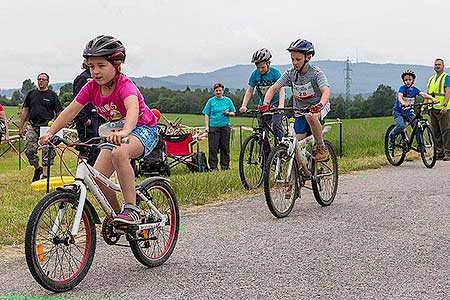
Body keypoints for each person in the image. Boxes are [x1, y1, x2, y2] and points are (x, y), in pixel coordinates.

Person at [39, 35, 159, 224]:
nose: (95, 71)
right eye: (91, 66)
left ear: (116, 65)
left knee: (120, 154)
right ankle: (117, 215)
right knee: (98, 178)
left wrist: (125, 132)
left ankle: (131, 209)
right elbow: (70, 111)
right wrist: (50, 132)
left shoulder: (124, 85)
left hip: (142, 128)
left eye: (101, 65)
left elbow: (133, 109)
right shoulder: (90, 87)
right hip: (116, 132)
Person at [262, 39, 331, 162]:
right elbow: (274, 88)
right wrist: (266, 104)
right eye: (292, 59)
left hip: (318, 108)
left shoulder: (316, 73)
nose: (294, 63)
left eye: (298, 59)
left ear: (308, 57)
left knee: (311, 116)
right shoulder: (290, 74)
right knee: (296, 147)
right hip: (300, 111)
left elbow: (326, 91)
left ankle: (321, 148)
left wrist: (320, 105)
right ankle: (300, 174)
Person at [19, 73, 63, 182]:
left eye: (43, 79)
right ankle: (37, 168)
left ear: (48, 81)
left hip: (47, 127)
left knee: (47, 151)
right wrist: (21, 127)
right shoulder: (31, 94)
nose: (41, 81)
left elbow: (59, 112)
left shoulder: (52, 95)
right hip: (33, 125)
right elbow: (25, 111)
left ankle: (45, 176)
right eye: (39, 79)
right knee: (29, 151)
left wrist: (57, 125)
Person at [239, 48, 285, 140]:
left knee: (276, 124)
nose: (260, 70)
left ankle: (281, 146)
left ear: (268, 63)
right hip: (263, 104)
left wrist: (281, 105)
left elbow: (281, 90)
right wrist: (244, 106)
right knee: (262, 130)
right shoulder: (255, 74)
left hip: (276, 102)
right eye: (258, 67)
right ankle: (265, 153)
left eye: (262, 67)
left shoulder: (275, 73)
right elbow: (249, 91)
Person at [389, 70, 437, 149]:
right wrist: (403, 102)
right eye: (406, 80)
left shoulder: (415, 90)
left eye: (409, 80)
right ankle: (392, 136)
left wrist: (432, 99)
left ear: (413, 80)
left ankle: (420, 145)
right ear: (404, 81)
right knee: (401, 126)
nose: (407, 81)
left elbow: (423, 94)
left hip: (409, 112)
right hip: (399, 112)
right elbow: (399, 97)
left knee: (417, 126)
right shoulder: (402, 88)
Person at [73, 60, 103, 166]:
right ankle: (83, 176)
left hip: (97, 117)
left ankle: (92, 176)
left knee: (96, 148)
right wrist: (84, 119)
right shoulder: (83, 78)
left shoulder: (97, 78)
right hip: (88, 120)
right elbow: (77, 102)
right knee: (87, 148)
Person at [202, 82, 236, 171]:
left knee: (225, 147)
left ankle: (225, 166)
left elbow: (233, 113)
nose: (218, 92)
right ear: (214, 91)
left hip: (225, 126)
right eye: (216, 90)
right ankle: (213, 167)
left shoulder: (228, 101)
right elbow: (206, 114)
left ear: (223, 91)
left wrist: (228, 113)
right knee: (213, 148)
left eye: (220, 90)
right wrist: (206, 126)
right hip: (213, 126)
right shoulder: (211, 101)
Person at [427, 58, 450, 160]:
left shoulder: (446, 77)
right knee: (435, 132)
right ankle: (439, 153)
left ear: (443, 66)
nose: (437, 66)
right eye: (436, 64)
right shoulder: (431, 79)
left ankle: (448, 153)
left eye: (439, 64)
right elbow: (428, 94)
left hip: (443, 109)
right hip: (432, 108)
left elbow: (448, 91)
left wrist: (444, 105)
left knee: (445, 131)